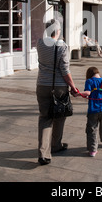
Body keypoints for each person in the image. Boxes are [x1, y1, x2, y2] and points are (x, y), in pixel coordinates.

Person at [36, 19, 78, 165]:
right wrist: (73, 86)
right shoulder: (61, 46)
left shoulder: (40, 43)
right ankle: (55, 145)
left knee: (44, 118)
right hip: (58, 87)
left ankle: (43, 153)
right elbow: (65, 70)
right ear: (58, 31)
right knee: (59, 115)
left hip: (41, 85)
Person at [75, 66, 102, 157]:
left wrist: (78, 94)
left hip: (93, 110)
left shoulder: (89, 81)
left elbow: (88, 93)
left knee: (91, 130)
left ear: (89, 75)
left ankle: (93, 150)